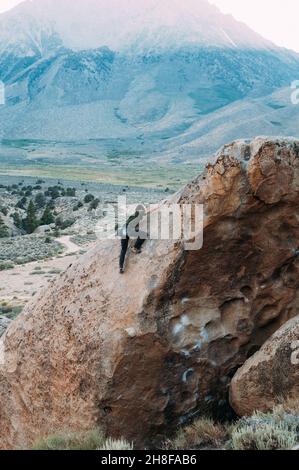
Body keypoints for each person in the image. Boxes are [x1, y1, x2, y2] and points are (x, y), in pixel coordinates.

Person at [119, 205, 146, 274]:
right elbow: (136, 228)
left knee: (123, 249)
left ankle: (121, 267)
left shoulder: (131, 216)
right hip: (128, 231)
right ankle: (135, 247)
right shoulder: (138, 217)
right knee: (144, 234)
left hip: (123, 231)